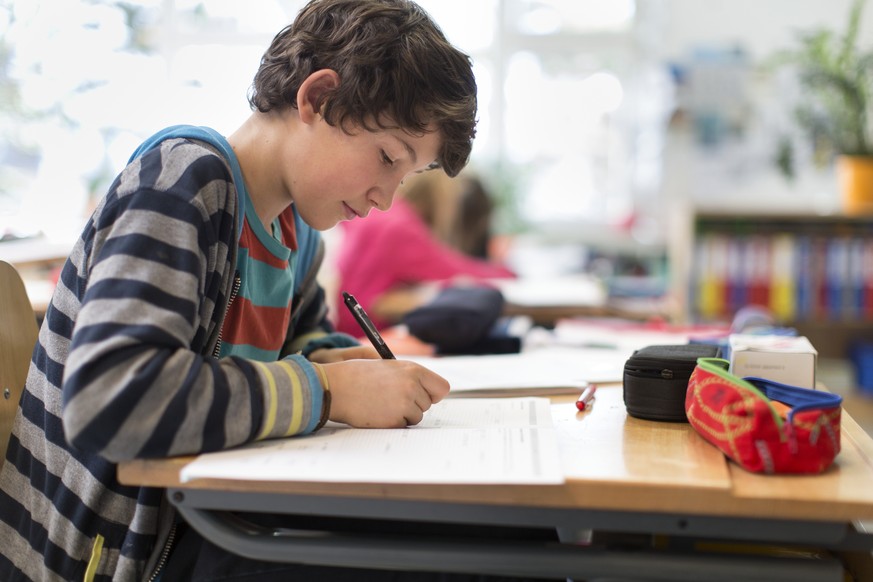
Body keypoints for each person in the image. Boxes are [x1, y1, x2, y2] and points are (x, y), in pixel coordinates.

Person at [0, 2, 557, 580]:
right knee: (478, 556)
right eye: (387, 158)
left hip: (207, 521)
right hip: (118, 556)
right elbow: (112, 401)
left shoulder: (295, 233)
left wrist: (342, 363)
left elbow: (299, 345)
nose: (385, 200)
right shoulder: (182, 183)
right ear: (316, 98)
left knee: (512, 528)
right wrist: (325, 390)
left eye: (405, 176)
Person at [335, 172, 515, 336]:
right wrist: (506, 270)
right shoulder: (402, 229)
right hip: (359, 335)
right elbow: (457, 270)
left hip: (341, 325)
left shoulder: (381, 214)